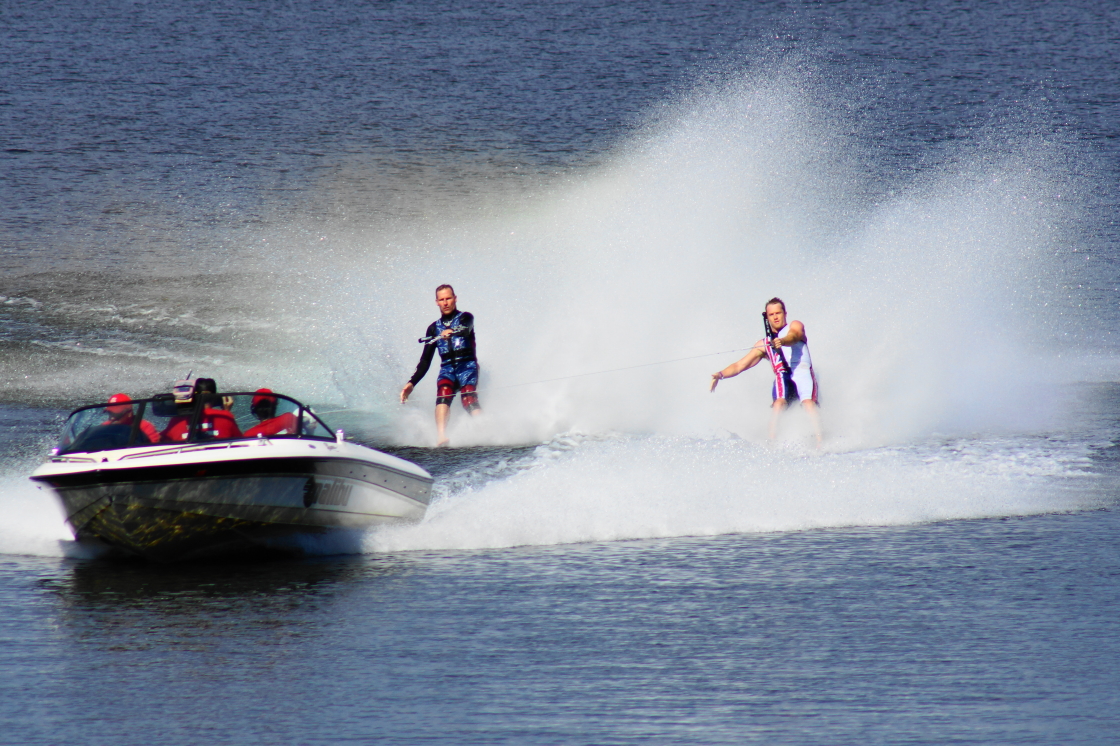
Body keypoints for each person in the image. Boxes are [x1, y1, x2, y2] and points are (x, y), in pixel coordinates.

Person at [710, 297, 821, 443]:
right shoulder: (764, 344)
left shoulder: (795, 326)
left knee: (808, 403)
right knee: (778, 403)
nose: (775, 317)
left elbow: (794, 336)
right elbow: (740, 365)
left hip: (802, 373)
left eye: (778, 313)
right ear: (767, 317)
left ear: (785, 314)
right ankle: (772, 442)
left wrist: (782, 341)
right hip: (783, 378)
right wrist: (720, 374)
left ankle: (820, 442)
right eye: (771, 314)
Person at [399, 284, 481, 446]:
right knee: (443, 392)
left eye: (448, 298)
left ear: (455, 299)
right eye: (441, 300)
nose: (445, 303)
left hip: (467, 366)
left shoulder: (466, 317)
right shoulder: (433, 329)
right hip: (448, 369)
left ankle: (484, 428)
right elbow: (425, 361)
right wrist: (411, 383)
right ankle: (441, 436)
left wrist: (452, 331)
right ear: (436, 302)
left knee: (468, 396)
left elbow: (465, 329)